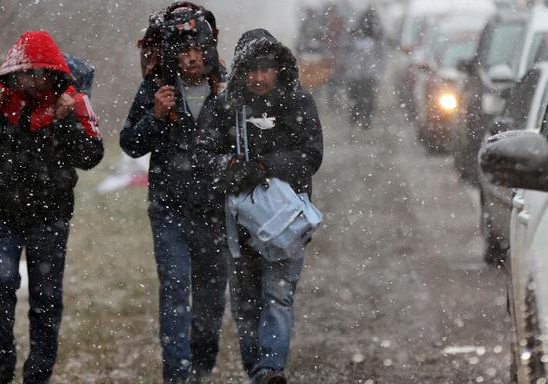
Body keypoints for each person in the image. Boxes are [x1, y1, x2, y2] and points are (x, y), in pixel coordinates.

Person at [0, 31, 103, 384]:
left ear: (52, 72)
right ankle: (0, 372)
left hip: (51, 215)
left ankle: (38, 374)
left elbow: (92, 155)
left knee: (46, 298)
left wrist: (65, 120)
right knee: (1, 286)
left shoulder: (73, 101)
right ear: (12, 71)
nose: (31, 82)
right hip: (0, 213)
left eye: (38, 73)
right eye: (25, 73)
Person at [197, 29, 324, 384]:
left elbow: (310, 155)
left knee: (278, 295)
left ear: (278, 69)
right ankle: (258, 368)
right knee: (245, 304)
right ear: (240, 71)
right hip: (237, 225)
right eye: (250, 69)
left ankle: (271, 368)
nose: (258, 77)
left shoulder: (299, 103)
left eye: (265, 68)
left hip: (286, 224)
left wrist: (265, 166)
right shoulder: (223, 106)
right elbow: (204, 155)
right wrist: (232, 168)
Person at [120, 3, 227, 383]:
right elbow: (130, 144)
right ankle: (177, 374)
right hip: (169, 209)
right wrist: (156, 118)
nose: (192, 58)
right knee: (175, 291)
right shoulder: (155, 88)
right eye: (183, 51)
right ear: (170, 53)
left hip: (216, 211)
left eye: (198, 49)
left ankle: (201, 364)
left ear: (209, 49)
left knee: (212, 298)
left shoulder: (225, 88)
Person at [343, 7, 384, 129]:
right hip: (359, 73)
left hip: (365, 74)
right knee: (358, 96)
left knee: (364, 97)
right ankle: (358, 117)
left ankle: (364, 118)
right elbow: (346, 53)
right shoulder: (355, 38)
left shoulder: (374, 40)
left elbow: (380, 56)